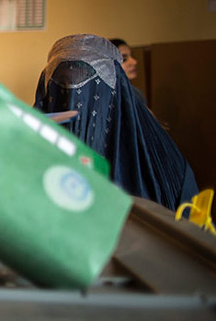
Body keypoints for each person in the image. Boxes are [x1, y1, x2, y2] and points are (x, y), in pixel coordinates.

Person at [34, 34, 198, 211]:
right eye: (62, 86)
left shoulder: (165, 166)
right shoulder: (25, 151)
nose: (74, 98)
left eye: (90, 84)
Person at [109, 38, 146, 104]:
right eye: (124, 59)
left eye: (132, 56)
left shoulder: (136, 93)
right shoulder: (104, 99)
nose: (134, 62)